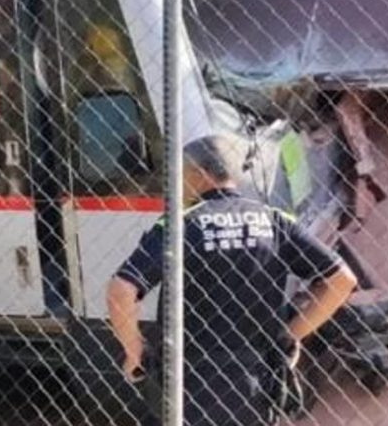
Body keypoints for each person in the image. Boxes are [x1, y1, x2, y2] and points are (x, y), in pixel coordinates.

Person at [106, 134, 358, 426]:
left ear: (200, 175)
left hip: (188, 382)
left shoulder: (179, 226)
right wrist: (292, 333)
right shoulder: (273, 221)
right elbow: (341, 280)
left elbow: (121, 289)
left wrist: (134, 348)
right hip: (255, 381)